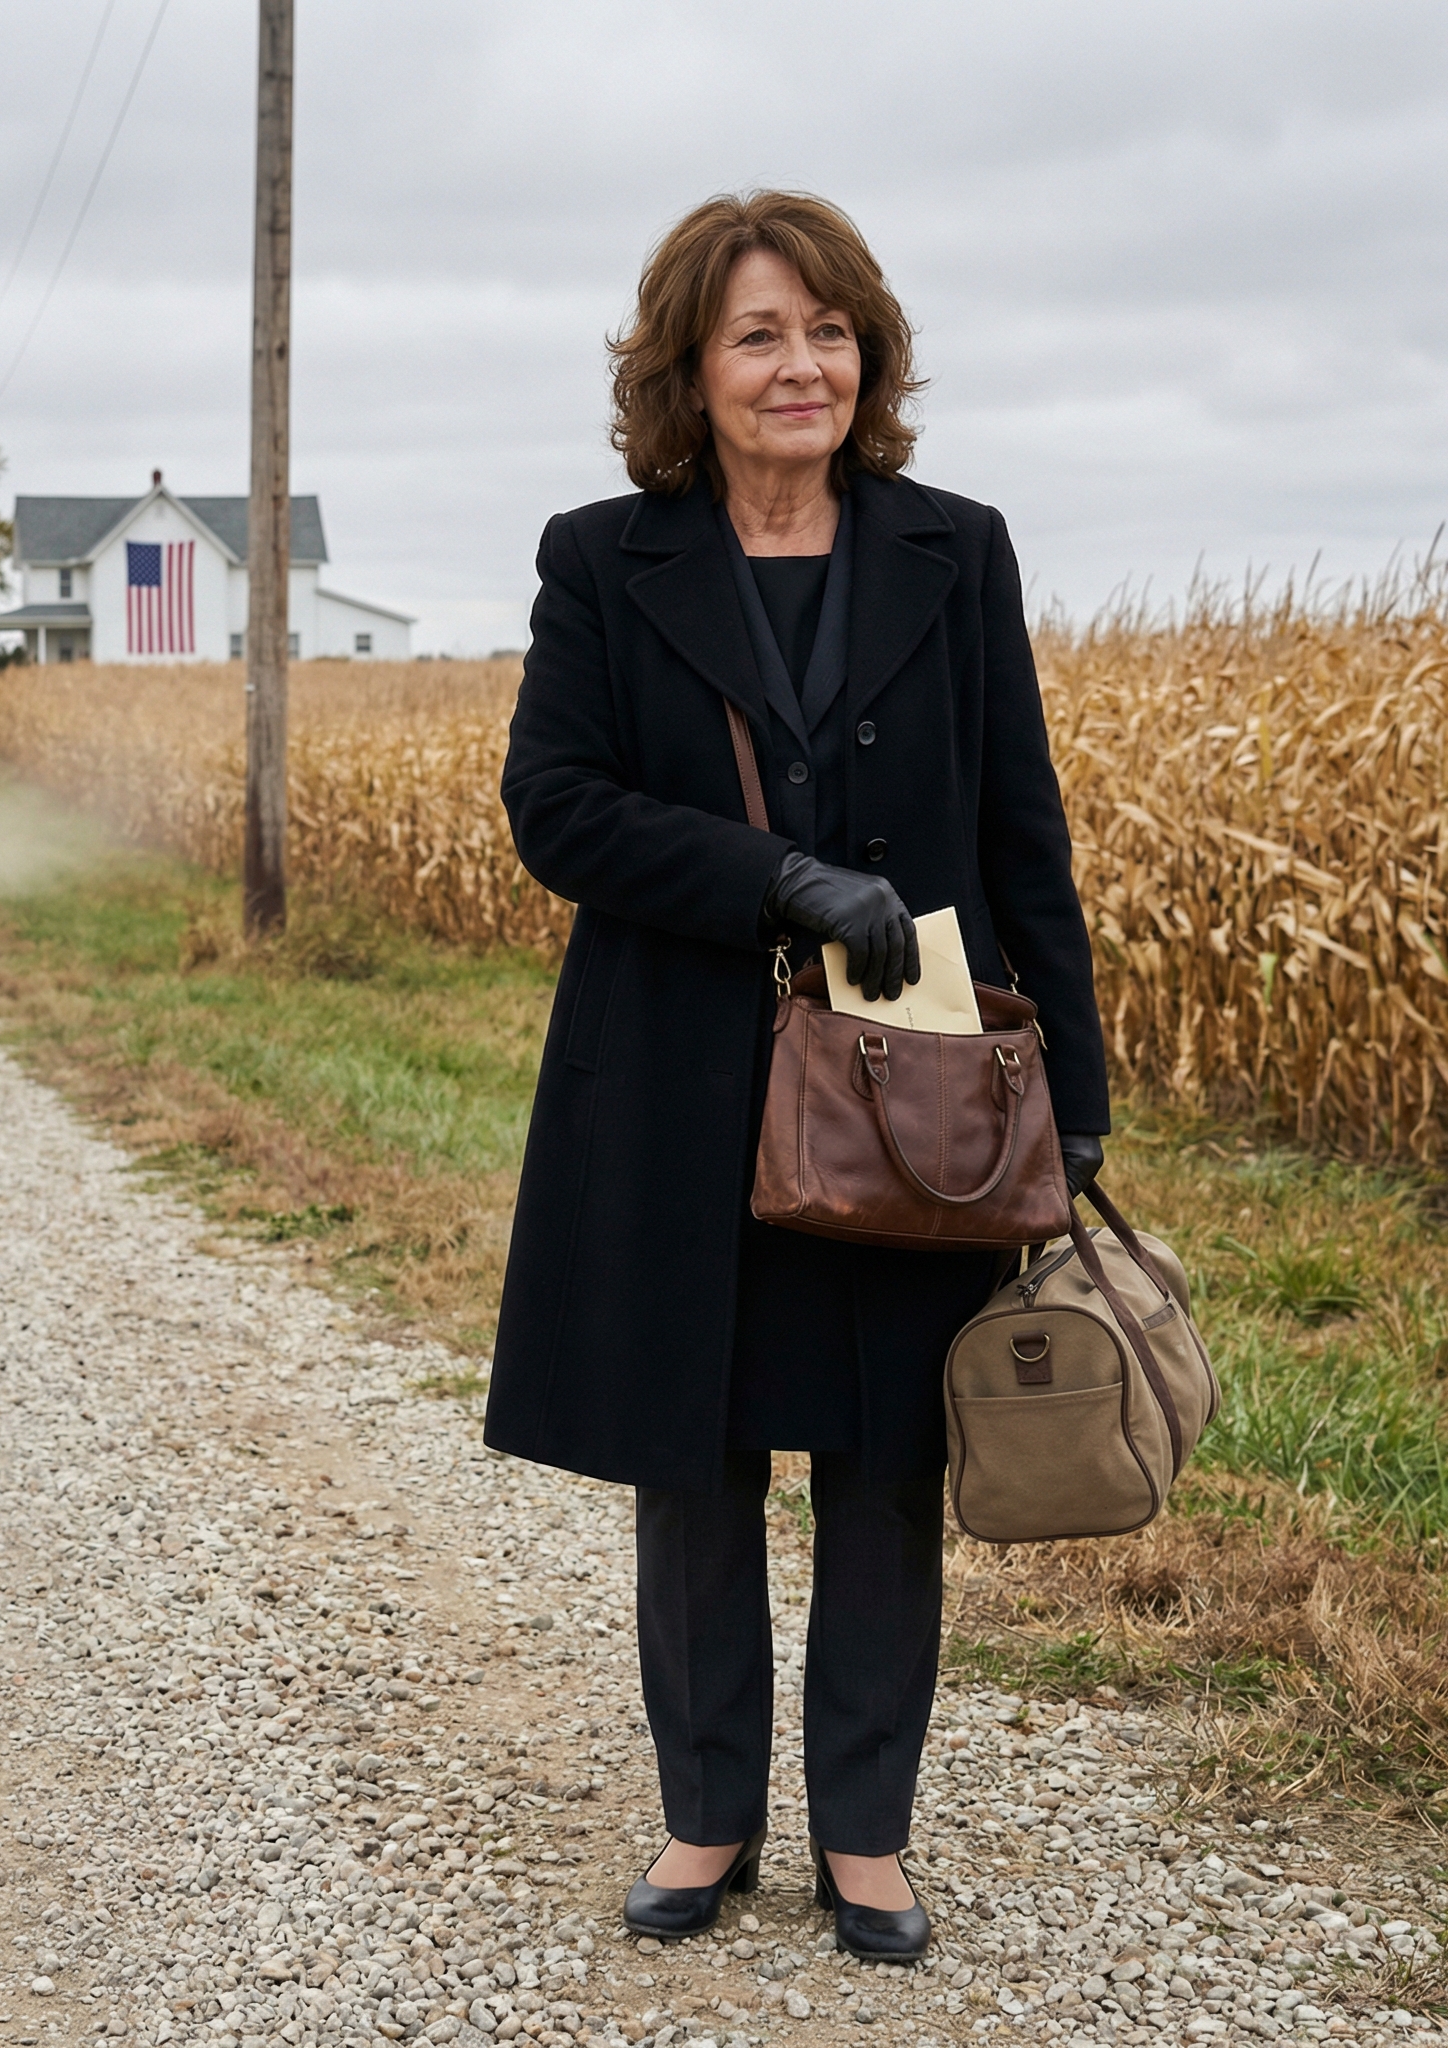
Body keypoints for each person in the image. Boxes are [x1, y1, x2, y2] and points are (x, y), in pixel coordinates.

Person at [486, 191, 1109, 1962]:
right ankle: (706, 1822)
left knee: (887, 1450)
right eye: (760, 334)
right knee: (693, 1457)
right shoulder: (604, 557)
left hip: (917, 1077)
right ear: (692, 362)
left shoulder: (954, 546)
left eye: (828, 331)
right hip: (677, 1081)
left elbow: (1021, 828)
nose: (800, 366)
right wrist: (774, 881)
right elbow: (560, 807)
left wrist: (1073, 1085)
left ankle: (868, 1837)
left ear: (872, 355)